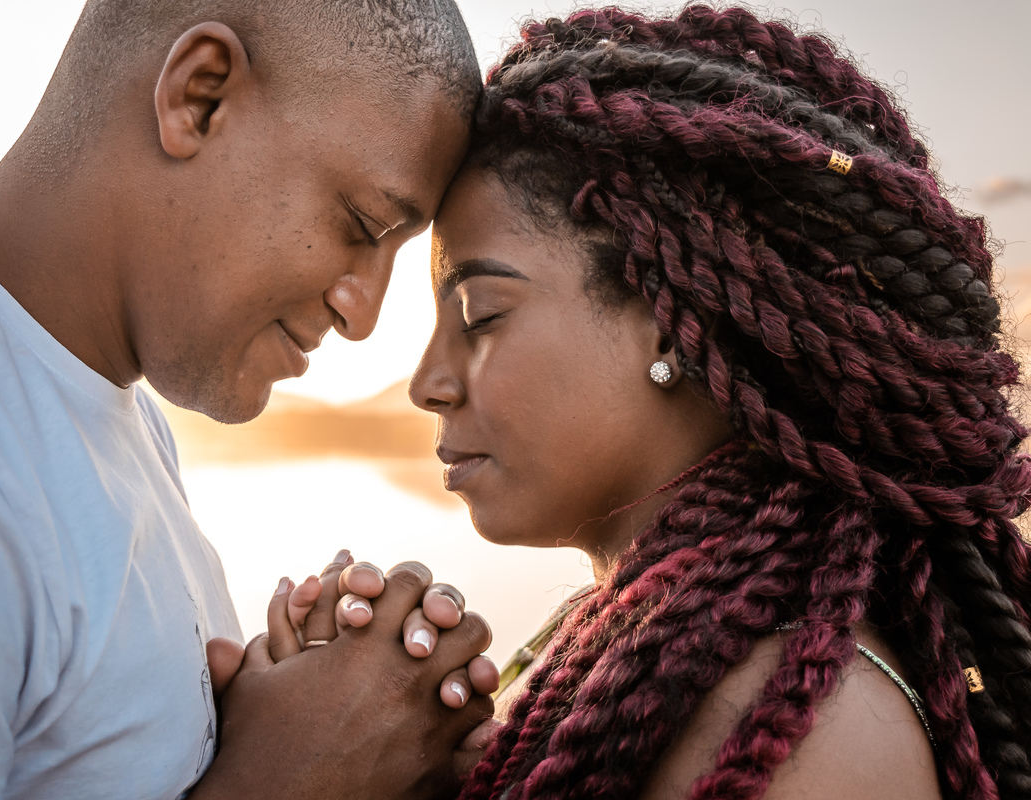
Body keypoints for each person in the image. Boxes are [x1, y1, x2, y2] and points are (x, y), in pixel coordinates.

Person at [0, 1, 499, 798]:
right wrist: (295, 780)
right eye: (361, 223)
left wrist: (325, 722)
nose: (362, 315)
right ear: (199, 95)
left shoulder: (113, 416)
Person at [410, 6, 1031, 798]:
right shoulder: (654, 672)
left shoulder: (796, 738)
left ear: (673, 324)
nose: (427, 381)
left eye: (480, 317)